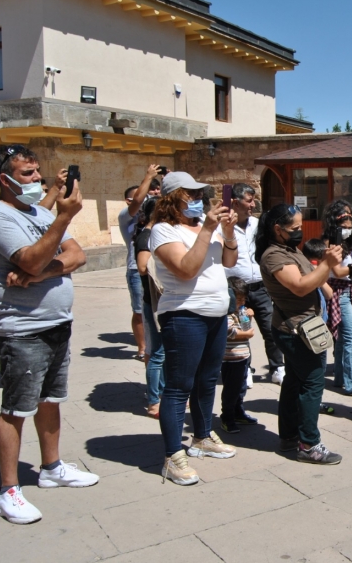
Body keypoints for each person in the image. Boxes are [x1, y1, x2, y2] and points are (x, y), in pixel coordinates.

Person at [0, 145, 98, 525]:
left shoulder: (40, 213)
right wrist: (63, 218)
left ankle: (51, 467)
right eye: (27, 174)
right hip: (22, 330)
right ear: (5, 179)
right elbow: (28, 258)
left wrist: (42, 273)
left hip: (56, 323)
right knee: (16, 409)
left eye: (37, 172)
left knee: (50, 399)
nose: (37, 180)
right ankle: (8, 490)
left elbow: (77, 255)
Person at [150, 171, 239, 485]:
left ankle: (202, 437)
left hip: (216, 314)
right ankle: (173, 456)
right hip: (184, 315)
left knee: (207, 380)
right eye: (192, 194)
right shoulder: (163, 230)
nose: (199, 199)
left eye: (201, 194)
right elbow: (186, 269)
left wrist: (228, 233)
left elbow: (229, 262)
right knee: (179, 386)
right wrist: (209, 230)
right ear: (173, 198)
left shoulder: (203, 226)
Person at [257, 203, 344, 465]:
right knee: (312, 382)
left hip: (304, 326)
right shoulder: (274, 256)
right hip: (296, 330)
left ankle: (289, 436)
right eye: (294, 227)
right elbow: (300, 286)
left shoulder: (289, 249)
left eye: (301, 226)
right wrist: (326, 264)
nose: (299, 231)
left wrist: (326, 266)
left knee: (294, 381)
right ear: (278, 229)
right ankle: (309, 444)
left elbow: (314, 278)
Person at [227, 183, 287, 384]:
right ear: (235, 203)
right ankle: (245, 369)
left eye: (254, 200)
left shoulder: (258, 224)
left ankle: (277, 367)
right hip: (236, 291)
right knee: (241, 331)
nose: (253, 205)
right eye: (249, 200)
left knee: (271, 329)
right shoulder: (223, 226)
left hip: (261, 287)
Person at [322, 200, 352, 396]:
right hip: (338, 293)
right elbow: (338, 271)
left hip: (349, 291)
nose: (347, 229)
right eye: (344, 226)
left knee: (342, 340)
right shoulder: (329, 243)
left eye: (350, 226)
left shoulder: (346, 243)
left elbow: (347, 270)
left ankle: (340, 378)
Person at [119, 166, 163, 361]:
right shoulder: (126, 216)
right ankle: (143, 348)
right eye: (148, 191)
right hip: (136, 270)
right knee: (139, 310)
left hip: (158, 268)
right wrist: (149, 176)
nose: (152, 194)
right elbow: (137, 201)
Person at [133, 196, 165, 418]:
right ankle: (154, 401)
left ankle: (163, 393)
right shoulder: (147, 235)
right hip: (154, 301)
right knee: (157, 354)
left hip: (163, 301)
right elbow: (143, 267)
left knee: (165, 353)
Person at [219, 277, 258, 434]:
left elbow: (245, 327)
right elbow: (230, 332)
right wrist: (246, 334)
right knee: (231, 390)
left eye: (243, 299)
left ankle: (238, 412)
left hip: (243, 357)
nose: (241, 302)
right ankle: (227, 418)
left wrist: (249, 317)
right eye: (238, 299)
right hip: (231, 358)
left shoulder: (240, 311)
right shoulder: (226, 313)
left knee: (240, 388)